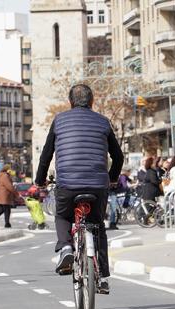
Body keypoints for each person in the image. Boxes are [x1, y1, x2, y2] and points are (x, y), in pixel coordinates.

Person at [35, 84, 124, 294]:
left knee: (63, 216)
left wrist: (40, 180)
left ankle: (66, 247)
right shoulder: (103, 122)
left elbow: (46, 155)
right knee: (97, 225)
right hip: (98, 185)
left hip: (68, 184)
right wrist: (111, 179)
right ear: (92, 102)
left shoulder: (59, 121)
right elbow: (118, 156)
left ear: (70, 102)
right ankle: (101, 276)